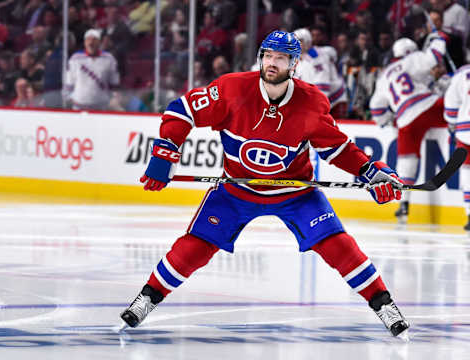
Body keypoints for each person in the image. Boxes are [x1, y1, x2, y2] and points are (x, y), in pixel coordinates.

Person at [120, 30, 410, 340]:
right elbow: (181, 109)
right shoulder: (231, 89)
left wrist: (369, 171)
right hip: (236, 190)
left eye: (280, 58)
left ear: (293, 64)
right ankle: (147, 298)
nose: (272, 63)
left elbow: (337, 148)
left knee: (337, 244)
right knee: (197, 245)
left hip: (295, 192)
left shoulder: (311, 102)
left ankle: (384, 305)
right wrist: (166, 150)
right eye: (268, 56)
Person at [370, 36, 447, 222]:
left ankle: (404, 204)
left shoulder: (384, 76)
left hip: (405, 120)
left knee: (406, 161)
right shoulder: (412, 59)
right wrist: (439, 38)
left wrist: (389, 121)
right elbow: (435, 55)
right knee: (460, 113)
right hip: (427, 106)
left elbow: (376, 108)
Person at [65, 28, 120, 110]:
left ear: (99, 42)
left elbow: (114, 83)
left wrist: (113, 98)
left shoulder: (109, 59)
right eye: (88, 39)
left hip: (101, 106)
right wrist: (70, 98)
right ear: (84, 42)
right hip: (79, 106)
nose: (91, 42)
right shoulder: (75, 59)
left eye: (94, 39)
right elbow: (69, 82)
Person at [443, 64, 470, 230]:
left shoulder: (462, 74)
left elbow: (451, 104)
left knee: (468, 177)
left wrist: (452, 123)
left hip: (465, 131)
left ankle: (469, 214)